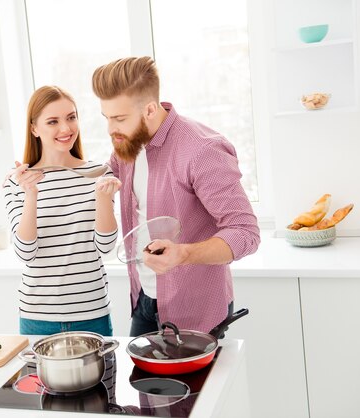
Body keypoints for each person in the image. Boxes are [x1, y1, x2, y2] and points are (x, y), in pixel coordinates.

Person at [91, 56, 260, 337]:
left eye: (119, 118)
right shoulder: (128, 144)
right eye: (106, 118)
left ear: (149, 109)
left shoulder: (202, 150)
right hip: (143, 301)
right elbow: (111, 173)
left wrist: (183, 254)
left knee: (197, 384)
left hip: (195, 310)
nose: (111, 129)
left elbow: (246, 233)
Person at [3, 85, 121, 336]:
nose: (66, 129)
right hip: (38, 317)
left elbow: (105, 246)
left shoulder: (99, 174)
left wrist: (102, 198)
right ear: (34, 128)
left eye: (71, 117)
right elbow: (25, 252)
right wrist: (31, 195)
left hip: (92, 312)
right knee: (36, 378)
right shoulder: (17, 181)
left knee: (103, 378)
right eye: (53, 121)